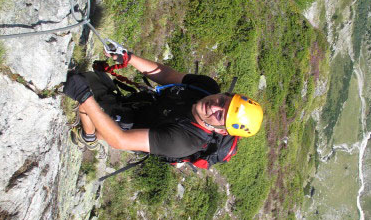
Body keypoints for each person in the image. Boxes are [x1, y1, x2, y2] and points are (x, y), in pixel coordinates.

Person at [63, 45, 263, 164]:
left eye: (221, 115)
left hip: (138, 130)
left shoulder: (184, 142)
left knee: (91, 106)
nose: (214, 107)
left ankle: (88, 137)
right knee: (89, 80)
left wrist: (83, 97)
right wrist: (129, 58)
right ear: (224, 93)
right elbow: (167, 75)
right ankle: (101, 104)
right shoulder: (206, 87)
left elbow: (120, 140)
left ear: (221, 131)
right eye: (222, 101)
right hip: (146, 106)